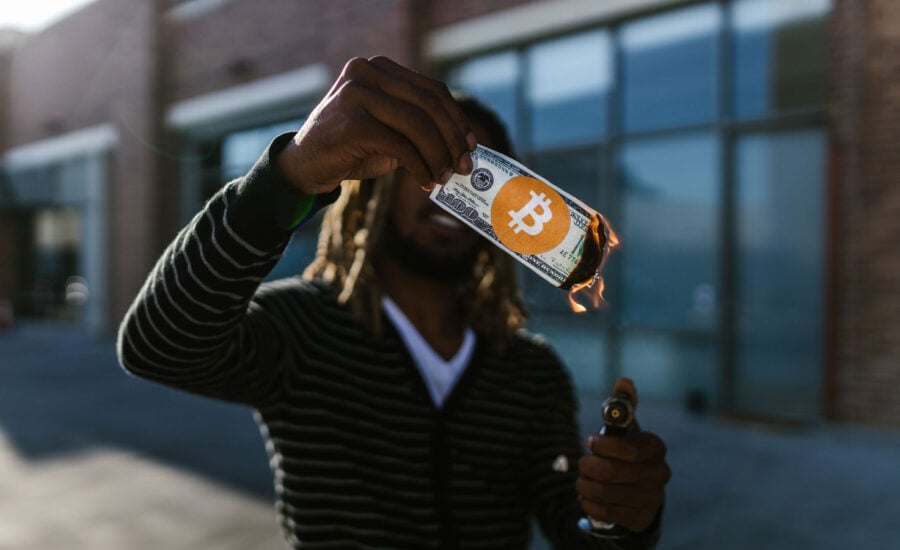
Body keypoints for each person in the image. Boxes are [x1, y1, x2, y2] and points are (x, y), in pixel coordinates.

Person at [118, 56, 670, 549]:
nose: (460, 190)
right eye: (435, 162)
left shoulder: (531, 371)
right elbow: (158, 347)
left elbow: (570, 523)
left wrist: (621, 519)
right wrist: (287, 177)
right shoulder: (302, 328)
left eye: (486, 179)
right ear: (376, 186)